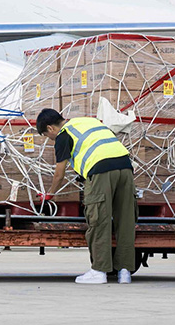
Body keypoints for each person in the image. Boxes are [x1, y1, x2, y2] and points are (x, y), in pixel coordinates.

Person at [37, 108, 137, 285]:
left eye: (46, 135)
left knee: (99, 220)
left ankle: (99, 271)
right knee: (125, 221)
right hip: (125, 167)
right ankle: (124, 272)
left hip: (101, 171)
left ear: (50, 128)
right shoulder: (87, 121)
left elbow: (59, 173)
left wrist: (50, 194)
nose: (49, 139)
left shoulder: (63, 135)